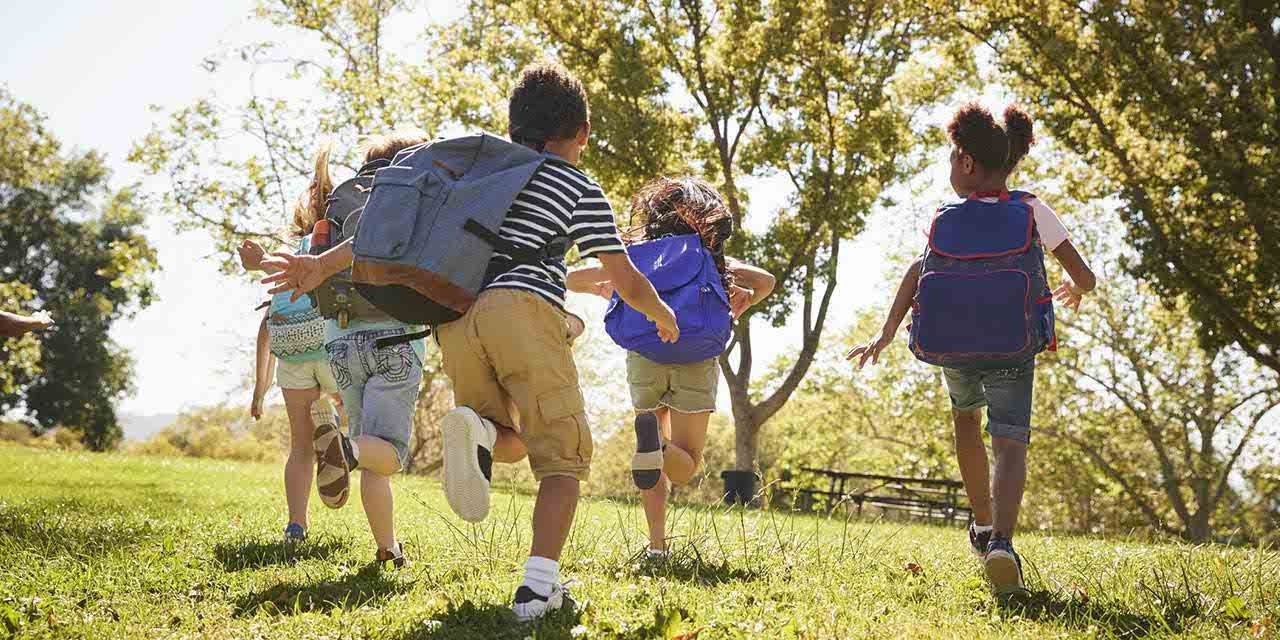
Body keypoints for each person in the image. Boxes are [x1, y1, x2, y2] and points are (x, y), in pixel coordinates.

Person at [261, 63, 678, 621]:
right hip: (525, 310)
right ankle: (537, 590)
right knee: (564, 460)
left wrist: (320, 264)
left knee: (508, 436)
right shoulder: (578, 184)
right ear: (583, 131)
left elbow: (384, 230)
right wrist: (660, 313)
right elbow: (620, 272)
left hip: (458, 317)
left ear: (513, 127)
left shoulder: (484, 173)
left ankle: (478, 430)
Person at [846, 103, 1097, 593]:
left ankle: (981, 524)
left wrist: (887, 331)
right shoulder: (1031, 209)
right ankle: (1002, 541)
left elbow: (917, 273)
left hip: (953, 346)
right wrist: (1078, 288)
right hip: (1013, 347)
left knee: (966, 421)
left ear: (966, 163)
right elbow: (1082, 275)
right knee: (1009, 440)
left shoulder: (944, 217)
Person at [565, 176, 775, 559]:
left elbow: (572, 278)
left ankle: (657, 544)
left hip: (645, 353)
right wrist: (744, 300)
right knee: (685, 464)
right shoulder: (713, 258)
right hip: (696, 355)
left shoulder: (634, 256)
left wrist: (611, 286)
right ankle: (659, 445)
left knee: (652, 463)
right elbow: (766, 281)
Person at [262, 133, 431, 567]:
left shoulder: (345, 199)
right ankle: (347, 448)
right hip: (396, 339)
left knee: (372, 444)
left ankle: (388, 549)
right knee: (386, 452)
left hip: (341, 341)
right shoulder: (411, 196)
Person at [238, 153, 339, 544]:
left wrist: (259, 390)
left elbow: (266, 329)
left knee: (300, 447)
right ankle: (342, 435)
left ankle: (296, 526)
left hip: (291, 353)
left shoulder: (289, 252)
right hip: (331, 347)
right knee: (357, 413)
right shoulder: (338, 248)